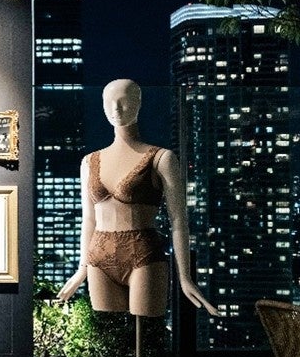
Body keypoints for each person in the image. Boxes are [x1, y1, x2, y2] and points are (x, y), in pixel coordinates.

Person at [57, 79, 218, 318]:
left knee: (146, 332)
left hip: (143, 254)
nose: (116, 108)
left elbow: (178, 220)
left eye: (124, 101)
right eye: (109, 102)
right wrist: (81, 269)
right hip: (97, 258)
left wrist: (185, 276)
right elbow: (88, 219)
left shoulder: (161, 158)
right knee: (109, 333)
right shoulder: (89, 162)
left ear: (139, 103)